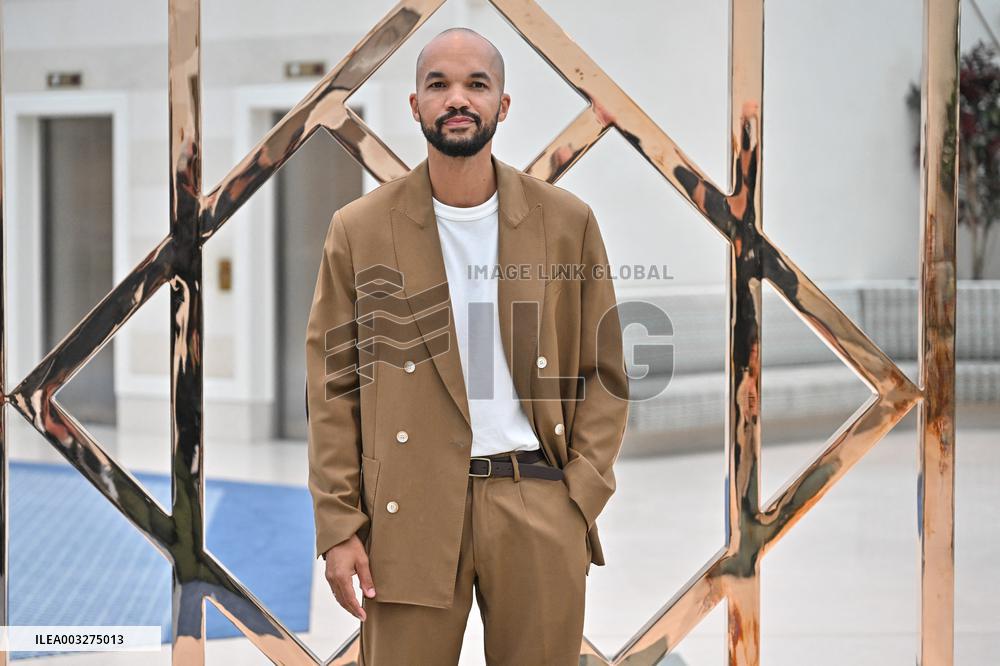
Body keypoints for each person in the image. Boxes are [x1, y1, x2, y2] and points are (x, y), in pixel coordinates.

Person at [305, 26, 629, 665]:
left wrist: (578, 495)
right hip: (407, 509)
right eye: (439, 85)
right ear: (415, 105)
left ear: (502, 104)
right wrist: (339, 525)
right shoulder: (360, 229)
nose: (458, 98)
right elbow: (331, 385)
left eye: (476, 84)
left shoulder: (566, 222)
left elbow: (607, 371)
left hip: (535, 498)